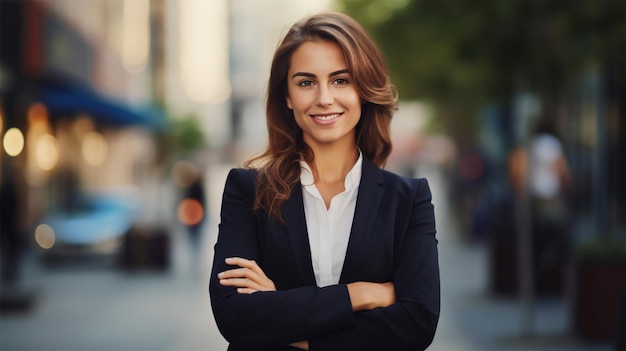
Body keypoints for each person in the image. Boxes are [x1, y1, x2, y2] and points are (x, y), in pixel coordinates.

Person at [209, 12, 440, 350]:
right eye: (306, 82)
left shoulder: (408, 199)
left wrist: (285, 318)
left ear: (363, 89)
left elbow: (416, 325)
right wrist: (361, 294)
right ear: (286, 96)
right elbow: (234, 315)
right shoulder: (248, 191)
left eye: (340, 80)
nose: (324, 98)